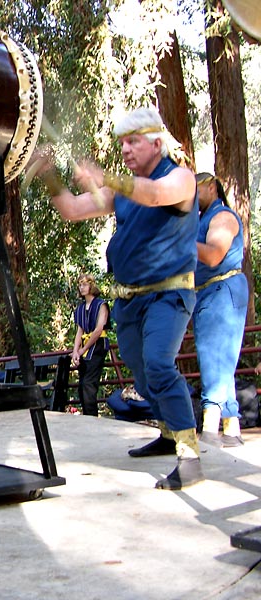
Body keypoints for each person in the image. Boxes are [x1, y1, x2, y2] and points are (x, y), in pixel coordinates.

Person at [37, 106, 201, 490]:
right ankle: (167, 432)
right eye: (122, 143)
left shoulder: (181, 179)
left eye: (133, 142)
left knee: (159, 364)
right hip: (130, 300)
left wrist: (105, 176)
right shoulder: (122, 189)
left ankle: (190, 455)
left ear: (156, 143)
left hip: (169, 293)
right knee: (142, 374)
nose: (125, 149)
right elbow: (73, 210)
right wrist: (49, 174)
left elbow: (157, 195)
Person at [192, 172, 248, 447]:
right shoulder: (202, 219)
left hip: (221, 289)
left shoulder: (222, 216)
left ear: (211, 187)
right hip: (208, 292)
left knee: (212, 354)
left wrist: (180, 241)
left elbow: (214, 254)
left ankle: (211, 426)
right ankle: (232, 426)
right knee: (222, 357)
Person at [71, 274, 110, 416]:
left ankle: (92, 417)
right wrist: (75, 351)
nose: (82, 287)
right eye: (80, 284)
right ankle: (86, 416)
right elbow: (79, 330)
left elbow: (99, 329)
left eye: (85, 284)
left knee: (88, 383)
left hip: (97, 345)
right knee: (82, 385)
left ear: (91, 286)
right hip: (84, 346)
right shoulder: (80, 308)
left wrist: (83, 349)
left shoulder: (101, 305)